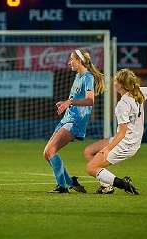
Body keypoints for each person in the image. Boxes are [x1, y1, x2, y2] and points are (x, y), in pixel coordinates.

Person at [84, 69, 147, 195]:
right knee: (89, 151)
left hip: (125, 144)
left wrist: (108, 149)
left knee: (91, 168)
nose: (113, 82)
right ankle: (106, 187)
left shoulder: (123, 105)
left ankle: (123, 183)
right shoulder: (139, 92)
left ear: (120, 85)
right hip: (129, 140)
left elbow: (122, 133)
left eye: (115, 80)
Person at [43, 49, 105, 193]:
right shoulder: (78, 76)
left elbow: (90, 100)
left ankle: (62, 187)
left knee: (51, 151)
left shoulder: (87, 77)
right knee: (47, 153)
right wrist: (66, 103)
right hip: (67, 118)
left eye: (72, 59)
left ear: (80, 61)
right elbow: (75, 99)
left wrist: (69, 102)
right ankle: (71, 182)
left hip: (76, 121)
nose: (69, 62)